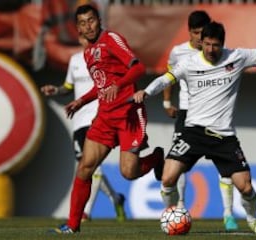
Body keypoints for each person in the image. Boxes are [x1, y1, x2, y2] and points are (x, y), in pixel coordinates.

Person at [134, 21, 256, 235]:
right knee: (168, 177)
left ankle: (252, 219)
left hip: (223, 137)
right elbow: (165, 79)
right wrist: (147, 92)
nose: (210, 50)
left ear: (222, 44)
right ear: (201, 42)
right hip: (193, 132)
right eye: (206, 44)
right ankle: (171, 216)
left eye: (215, 45)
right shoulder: (189, 63)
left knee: (246, 187)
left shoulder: (237, 57)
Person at [49, 4, 164, 234]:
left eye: (91, 20)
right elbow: (101, 86)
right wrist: (81, 101)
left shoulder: (111, 39)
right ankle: (73, 226)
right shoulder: (88, 52)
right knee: (84, 168)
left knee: (128, 172)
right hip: (105, 116)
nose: (88, 26)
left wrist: (119, 85)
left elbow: (138, 67)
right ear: (78, 29)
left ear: (98, 19)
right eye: (82, 23)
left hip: (129, 114)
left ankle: (156, 158)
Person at [163, 10, 238, 231]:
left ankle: (228, 214)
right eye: (195, 33)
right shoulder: (178, 52)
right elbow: (169, 77)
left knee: (225, 167)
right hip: (187, 114)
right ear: (189, 32)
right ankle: (180, 207)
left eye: (202, 33)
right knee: (178, 166)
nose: (198, 37)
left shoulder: (219, 53)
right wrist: (167, 103)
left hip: (214, 115)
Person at [40, 36, 126, 222]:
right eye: (83, 32)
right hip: (79, 122)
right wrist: (55, 90)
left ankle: (85, 212)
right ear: (78, 37)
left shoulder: (105, 57)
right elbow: (68, 87)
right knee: (85, 168)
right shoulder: (75, 60)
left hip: (99, 117)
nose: (88, 36)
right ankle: (116, 198)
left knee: (94, 169)